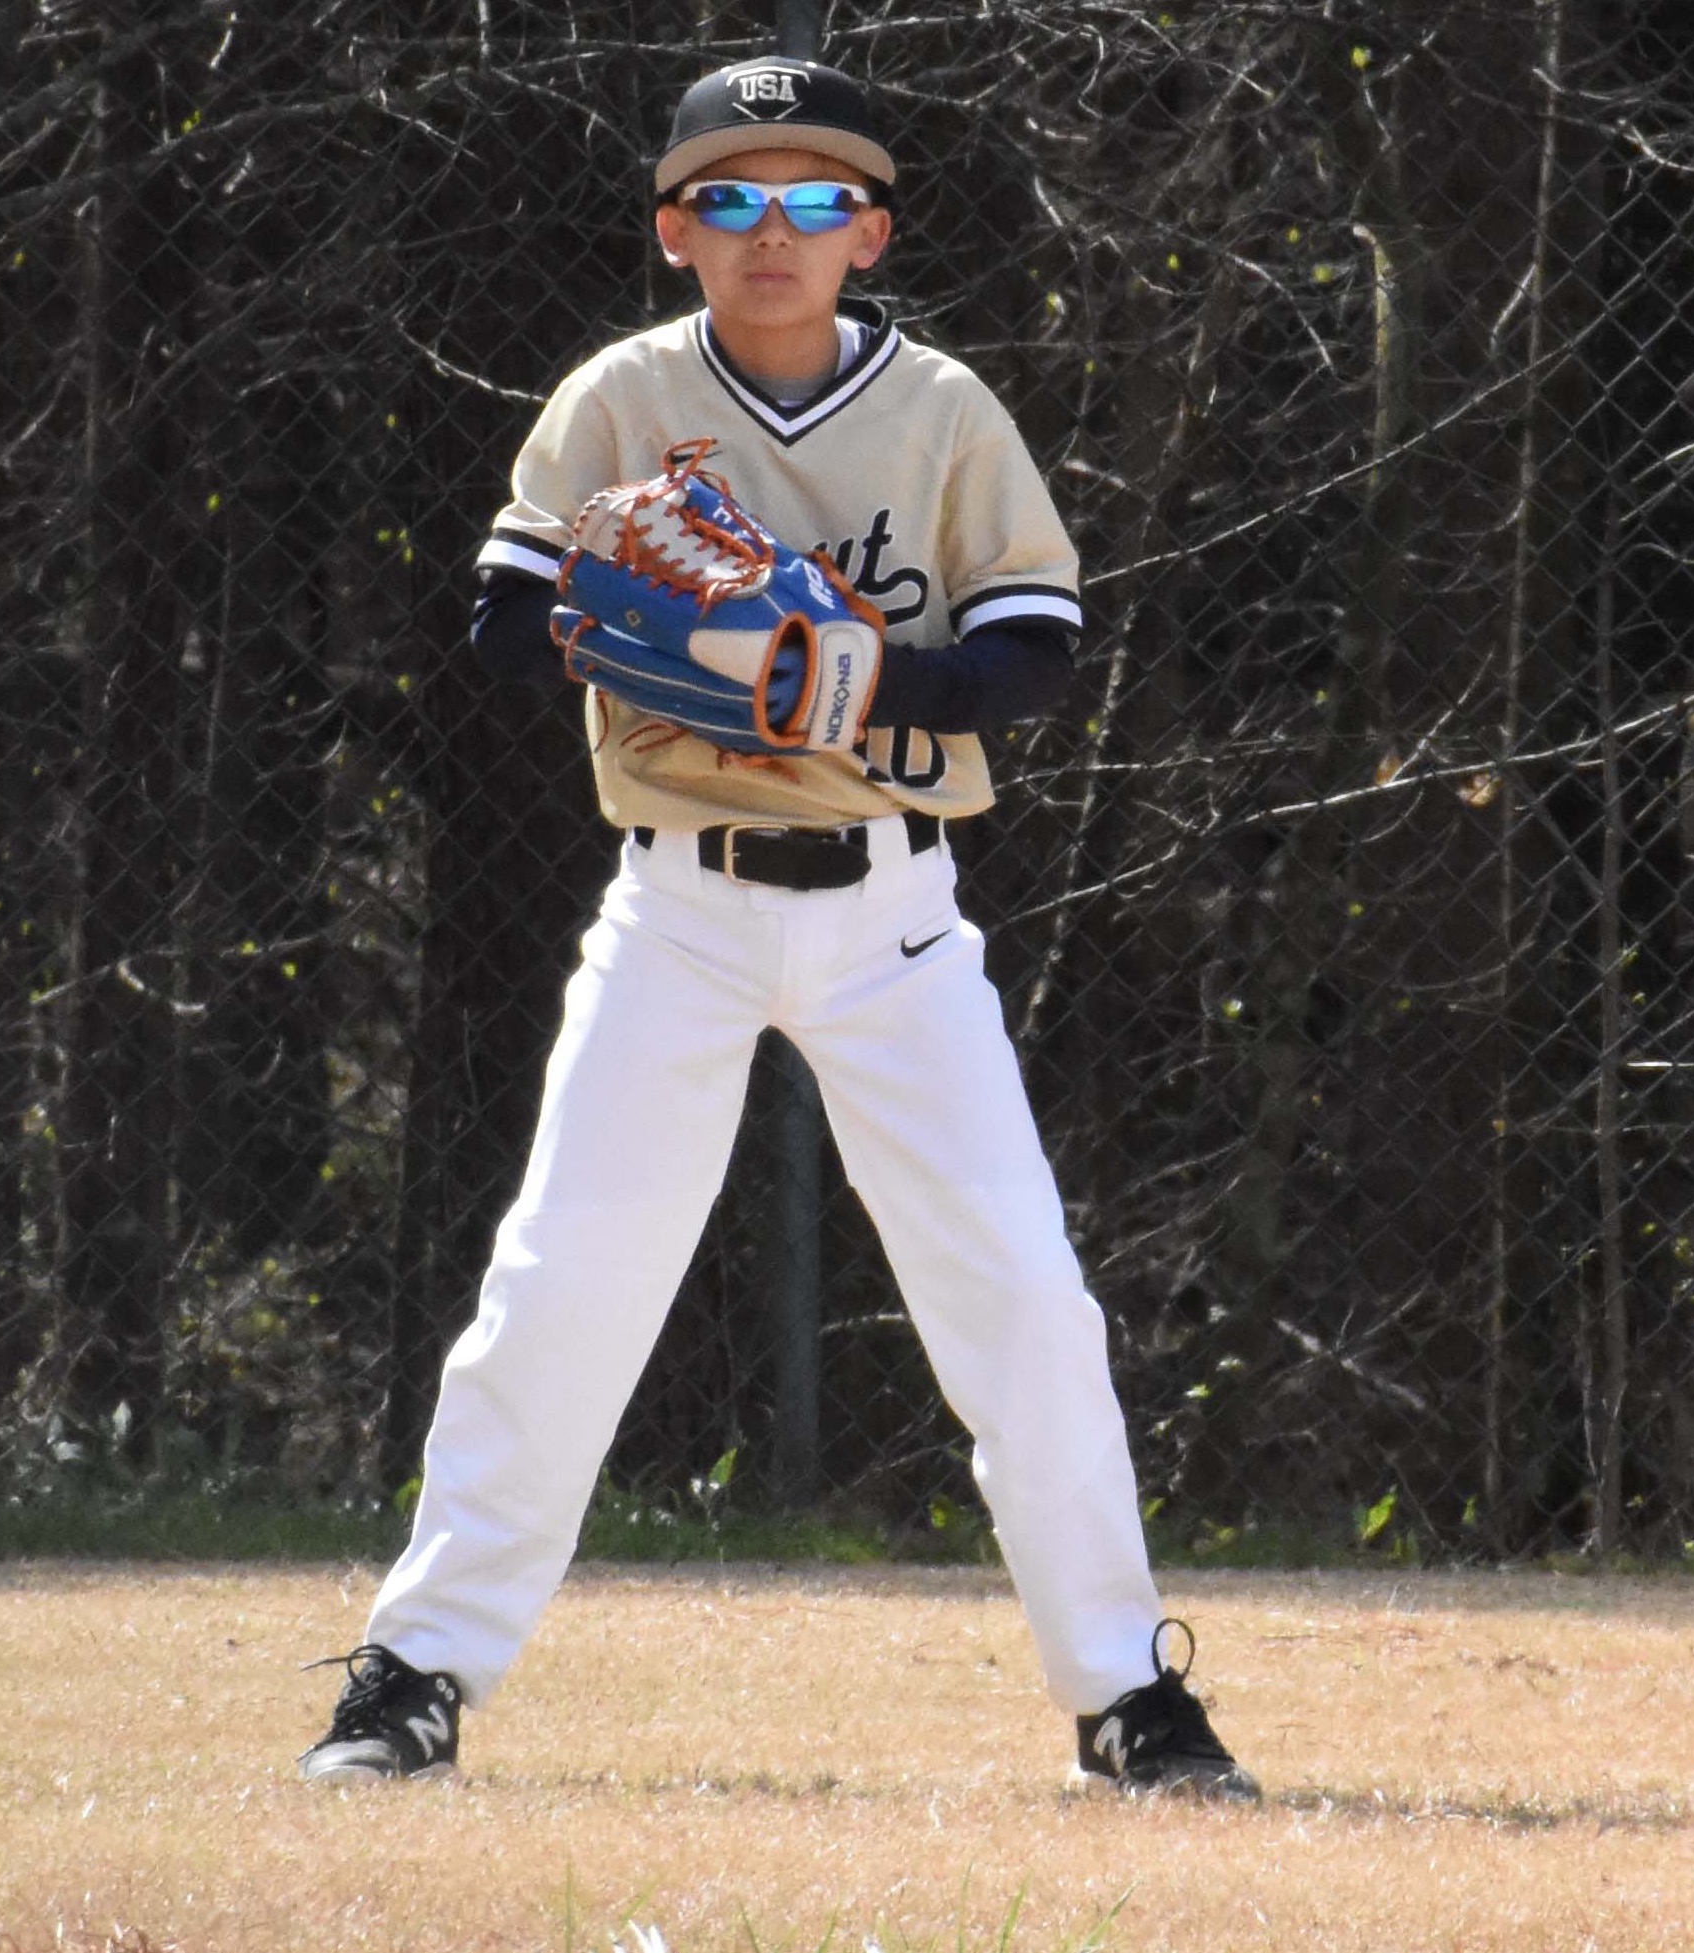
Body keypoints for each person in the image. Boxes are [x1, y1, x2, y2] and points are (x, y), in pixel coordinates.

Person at [298, 54, 1259, 1801]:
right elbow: (507, 619)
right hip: (680, 903)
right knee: (561, 1283)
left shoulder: (942, 408)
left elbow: (1032, 652)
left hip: (896, 911)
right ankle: (413, 1671)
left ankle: (1126, 1692)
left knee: (1022, 1297)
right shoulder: (619, 397)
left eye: (816, 198)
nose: (772, 229)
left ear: (869, 234)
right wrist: (683, 645)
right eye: (728, 196)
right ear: (674, 230)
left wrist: (844, 676)